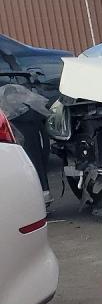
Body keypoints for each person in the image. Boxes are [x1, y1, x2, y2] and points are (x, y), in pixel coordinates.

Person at [0, 82, 53, 211]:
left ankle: (36, 203)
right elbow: (45, 140)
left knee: (25, 176)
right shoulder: (30, 114)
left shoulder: (8, 117)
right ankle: (42, 200)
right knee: (36, 173)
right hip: (32, 153)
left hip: (19, 154)